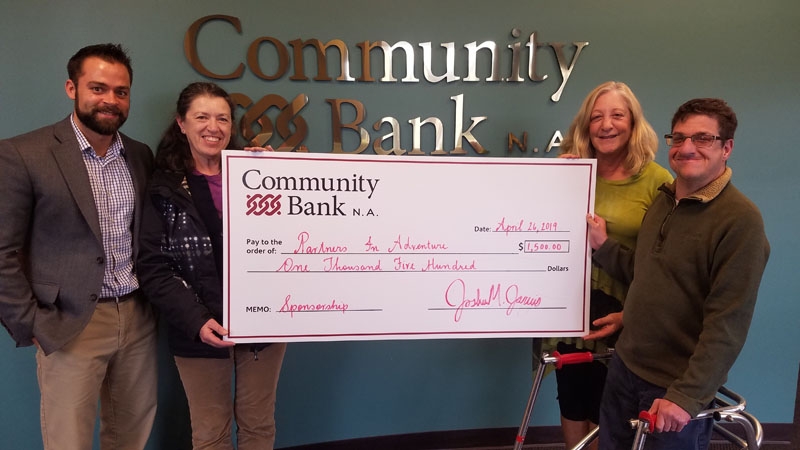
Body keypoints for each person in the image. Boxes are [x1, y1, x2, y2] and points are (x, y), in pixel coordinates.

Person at [585, 98, 770, 450]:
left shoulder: (741, 221)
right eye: (679, 137)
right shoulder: (664, 201)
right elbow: (647, 273)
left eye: (703, 138)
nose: (687, 148)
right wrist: (604, 247)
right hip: (625, 368)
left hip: (671, 387)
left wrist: (686, 396)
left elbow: (727, 324)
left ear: (726, 148)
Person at [0, 43, 157, 449]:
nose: (110, 100)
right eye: (98, 88)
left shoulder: (140, 155)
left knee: (131, 436)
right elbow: (3, 251)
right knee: (68, 440)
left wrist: (254, 164)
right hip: (70, 324)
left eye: (121, 92)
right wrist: (30, 323)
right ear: (72, 88)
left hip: (137, 318)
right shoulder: (23, 153)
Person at [137, 82, 287, 450]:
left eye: (222, 118)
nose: (213, 127)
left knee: (258, 423)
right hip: (198, 327)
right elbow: (154, 266)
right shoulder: (163, 188)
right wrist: (196, 320)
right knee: (210, 432)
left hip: (262, 323)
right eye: (201, 117)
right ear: (181, 123)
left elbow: (292, 239)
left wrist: (278, 175)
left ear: (232, 126)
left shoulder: (256, 176)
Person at [545, 81, 673, 449]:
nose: (606, 125)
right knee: (571, 397)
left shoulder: (658, 181)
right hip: (569, 309)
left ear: (633, 124)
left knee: (609, 409)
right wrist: (548, 179)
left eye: (617, 115)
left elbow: (664, 265)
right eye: (596, 117)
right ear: (585, 125)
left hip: (625, 315)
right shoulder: (570, 173)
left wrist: (631, 313)